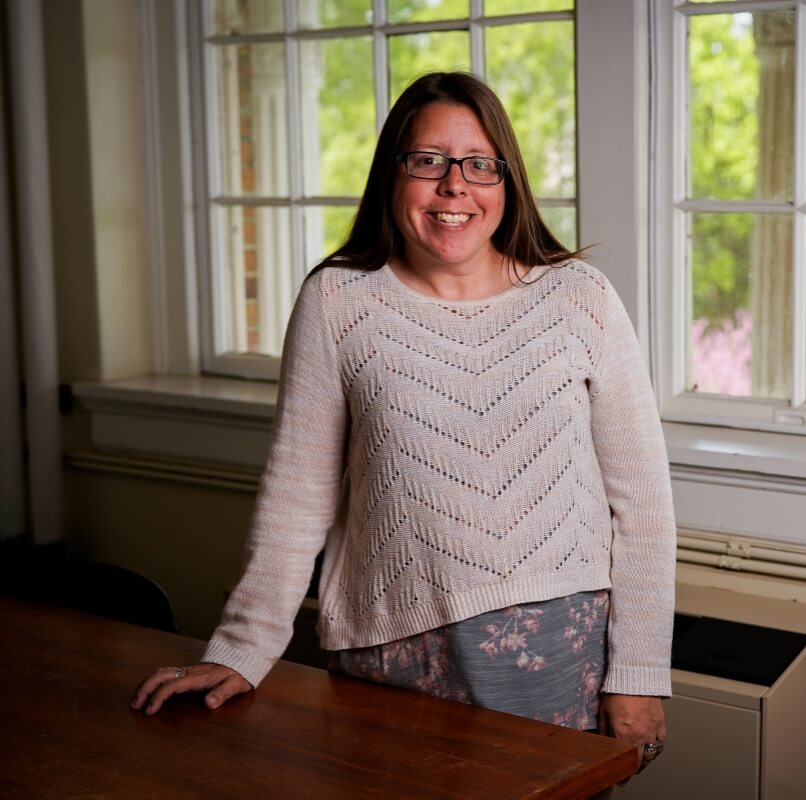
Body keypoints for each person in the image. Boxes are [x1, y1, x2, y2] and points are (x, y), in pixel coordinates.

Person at [132, 71, 676, 774]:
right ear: (393, 173)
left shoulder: (581, 298)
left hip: (556, 651)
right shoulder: (337, 301)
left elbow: (643, 504)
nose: (455, 186)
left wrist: (638, 674)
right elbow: (297, 496)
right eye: (428, 161)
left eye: (479, 165)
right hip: (392, 650)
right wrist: (240, 648)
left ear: (507, 182)